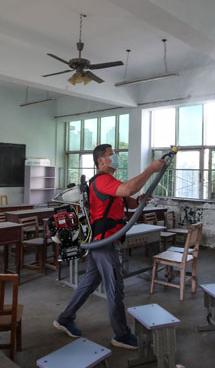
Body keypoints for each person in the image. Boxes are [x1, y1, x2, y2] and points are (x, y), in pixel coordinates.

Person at [53, 144, 165, 349]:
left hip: (102, 241)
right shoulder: (103, 180)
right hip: (105, 243)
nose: (115, 157)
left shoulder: (109, 181)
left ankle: (65, 318)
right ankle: (121, 335)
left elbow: (126, 200)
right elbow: (129, 188)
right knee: (115, 288)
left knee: (89, 282)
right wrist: (150, 169)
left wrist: (139, 200)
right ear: (101, 161)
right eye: (111, 154)